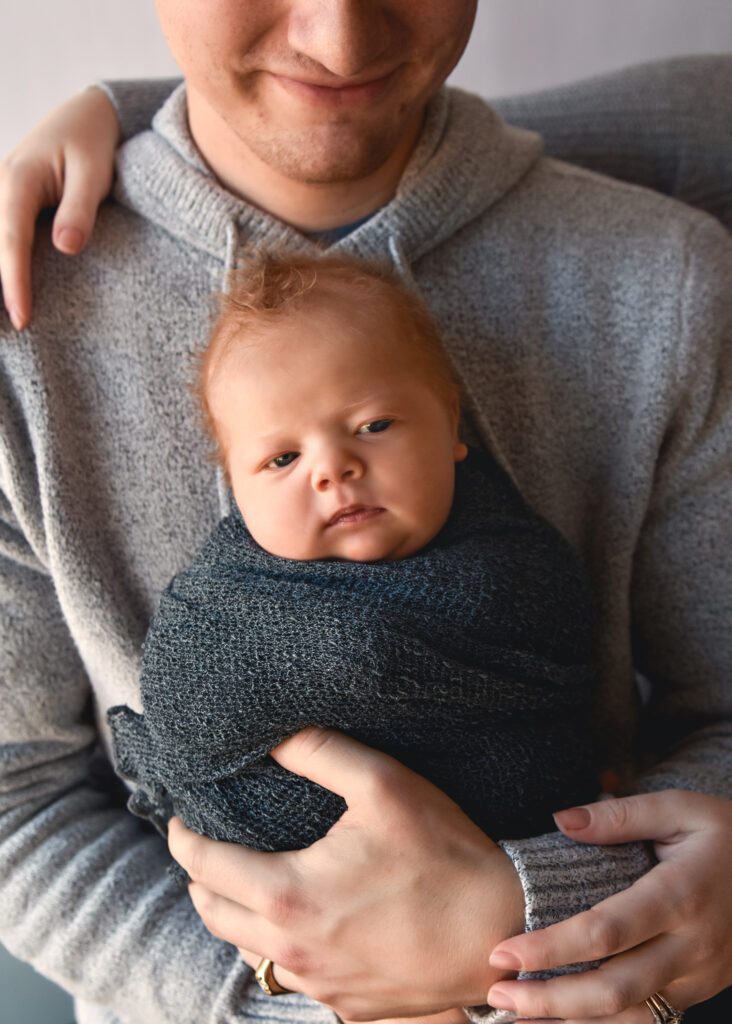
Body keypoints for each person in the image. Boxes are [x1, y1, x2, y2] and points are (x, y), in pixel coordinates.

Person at [0, 4, 730, 1018]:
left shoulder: (668, 277)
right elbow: (11, 795)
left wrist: (533, 917)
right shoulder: (21, 323)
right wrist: (301, 992)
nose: (340, 44)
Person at [107, 252, 599, 868]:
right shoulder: (222, 602)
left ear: (450, 423)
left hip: (535, 887)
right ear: (234, 488)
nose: (333, 468)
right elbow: (182, 706)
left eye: (374, 424)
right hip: (284, 909)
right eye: (282, 459)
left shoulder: (515, 557)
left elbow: (562, 642)